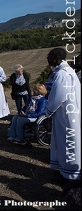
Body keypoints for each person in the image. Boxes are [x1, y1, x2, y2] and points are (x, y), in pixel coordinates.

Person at [45, 48, 80, 181]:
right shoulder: (68, 71)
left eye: (49, 57)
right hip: (70, 112)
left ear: (56, 58)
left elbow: (58, 96)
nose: (47, 59)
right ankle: (64, 168)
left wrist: (48, 110)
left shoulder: (62, 74)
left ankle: (70, 174)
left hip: (66, 114)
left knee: (68, 141)